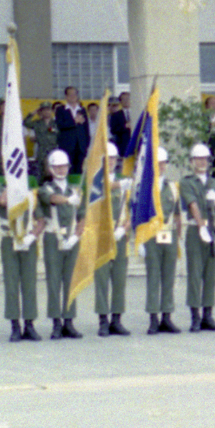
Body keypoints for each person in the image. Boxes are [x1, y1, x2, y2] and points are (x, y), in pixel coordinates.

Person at [38, 149, 83, 339]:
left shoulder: (76, 190)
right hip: (53, 238)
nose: (61, 169)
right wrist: (67, 199)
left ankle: (69, 321)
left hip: (71, 239)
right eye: (57, 166)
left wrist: (76, 237)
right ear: (50, 168)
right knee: (54, 280)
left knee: (71, 280)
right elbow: (51, 199)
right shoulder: (46, 188)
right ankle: (56, 322)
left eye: (63, 166)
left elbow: (83, 217)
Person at [181, 143, 215, 332]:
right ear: (192, 162)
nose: (202, 162)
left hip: (213, 230)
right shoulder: (187, 182)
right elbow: (192, 205)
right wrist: (201, 226)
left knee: (210, 274)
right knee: (195, 274)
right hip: (196, 230)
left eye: (205, 159)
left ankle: (208, 315)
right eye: (198, 159)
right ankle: (195, 316)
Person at [0, 171, 43, 342]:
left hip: (28, 241)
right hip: (9, 239)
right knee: (11, 283)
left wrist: (33, 236)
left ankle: (29, 324)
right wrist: (11, 186)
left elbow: (42, 220)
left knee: (29, 283)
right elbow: (2, 201)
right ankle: (15, 325)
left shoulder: (32, 194)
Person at [141, 146, 183, 334]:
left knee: (168, 276)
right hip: (150, 235)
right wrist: (139, 241)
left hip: (169, 235)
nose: (161, 166)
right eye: (157, 163)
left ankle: (167, 316)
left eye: (163, 163)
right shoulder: (144, 187)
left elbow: (177, 215)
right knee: (153, 276)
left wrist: (179, 238)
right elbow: (139, 216)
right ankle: (153, 318)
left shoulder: (173, 187)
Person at [94, 142, 132, 337]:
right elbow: (101, 189)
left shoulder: (124, 184)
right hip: (102, 236)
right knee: (101, 279)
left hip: (119, 236)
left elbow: (130, 212)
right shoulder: (96, 182)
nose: (110, 161)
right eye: (107, 158)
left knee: (119, 279)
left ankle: (116, 319)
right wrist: (119, 184)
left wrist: (124, 228)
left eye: (113, 158)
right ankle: (103, 320)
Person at [57, 85, 90, 174]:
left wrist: (87, 145)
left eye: (74, 94)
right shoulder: (61, 110)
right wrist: (74, 121)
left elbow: (86, 129)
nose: (72, 97)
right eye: (70, 95)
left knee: (80, 169)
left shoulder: (82, 110)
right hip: (67, 145)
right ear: (66, 97)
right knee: (68, 169)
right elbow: (60, 125)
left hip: (81, 145)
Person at [24, 103, 59, 175]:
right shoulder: (37, 123)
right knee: (41, 170)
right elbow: (25, 122)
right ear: (41, 112)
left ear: (51, 111)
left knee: (54, 170)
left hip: (53, 149)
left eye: (48, 109)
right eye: (44, 110)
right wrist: (33, 113)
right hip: (41, 150)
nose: (46, 112)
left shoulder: (57, 122)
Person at [108, 91, 132, 156]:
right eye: (124, 99)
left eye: (128, 98)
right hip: (122, 145)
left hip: (136, 143)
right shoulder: (116, 115)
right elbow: (113, 130)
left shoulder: (136, 113)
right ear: (120, 101)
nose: (126, 101)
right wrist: (124, 126)